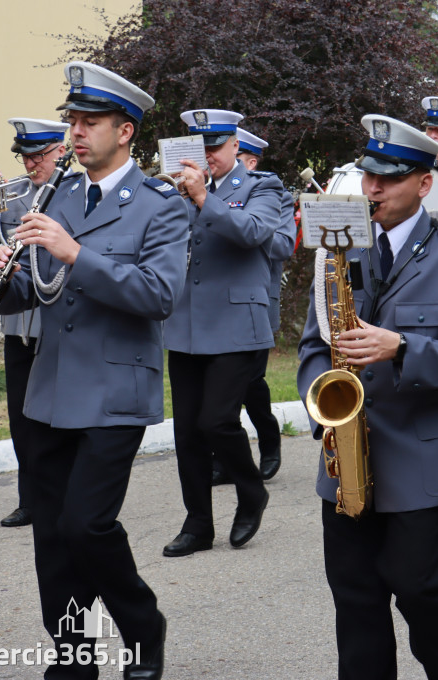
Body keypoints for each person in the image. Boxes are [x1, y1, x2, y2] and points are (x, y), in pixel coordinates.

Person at [0, 61, 186, 680]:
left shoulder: (159, 206)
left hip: (116, 389)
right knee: (53, 539)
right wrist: (1, 278)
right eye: (72, 120)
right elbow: (36, 292)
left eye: (89, 122)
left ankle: (142, 624)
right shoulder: (57, 196)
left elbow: (158, 295)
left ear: (125, 132)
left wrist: (77, 252)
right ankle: (72, 656)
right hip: (50, 390)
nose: (75, 132)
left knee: (87, 525)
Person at [297, 114, 438, 680]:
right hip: (346, 458)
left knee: (421, 592)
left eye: (389, 178)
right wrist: (323, 405)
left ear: (424, 184)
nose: (373, 189)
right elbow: (314, 340)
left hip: (424, 456)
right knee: (355, 603)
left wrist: (403, 346)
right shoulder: (339, 246)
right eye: (368, 176)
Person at [161, 109, 285, 558]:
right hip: (186, 325)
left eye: (215, 146)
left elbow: (254, 233)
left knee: (216, 420)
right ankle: (197, 525)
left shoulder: (262, 186)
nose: (208, 156)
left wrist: (202, 199)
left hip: (238, 326)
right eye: (200, 147)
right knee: (188, 434)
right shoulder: (176, 189)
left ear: (236, 146)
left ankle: (251, 490)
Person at [0, 117, 70, 528]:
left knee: (56, 417)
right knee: (20, 418)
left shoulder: (74, 192)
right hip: (17, 327)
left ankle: (62, 494)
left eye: (38, 156)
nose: (30, 165)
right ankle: (31, 499)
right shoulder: (13, 192)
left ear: (60, 151)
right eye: (24, 157)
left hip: (56, 324)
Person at [211, 128, 297, 486]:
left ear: (250, 160)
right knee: (216, 388)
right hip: (215, 302)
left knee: (250, 381)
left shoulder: (271, 193)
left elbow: (281, 246)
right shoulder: (211, 192)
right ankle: (224, 458)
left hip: (255, 299)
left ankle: (268, 434)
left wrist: (243, 228)